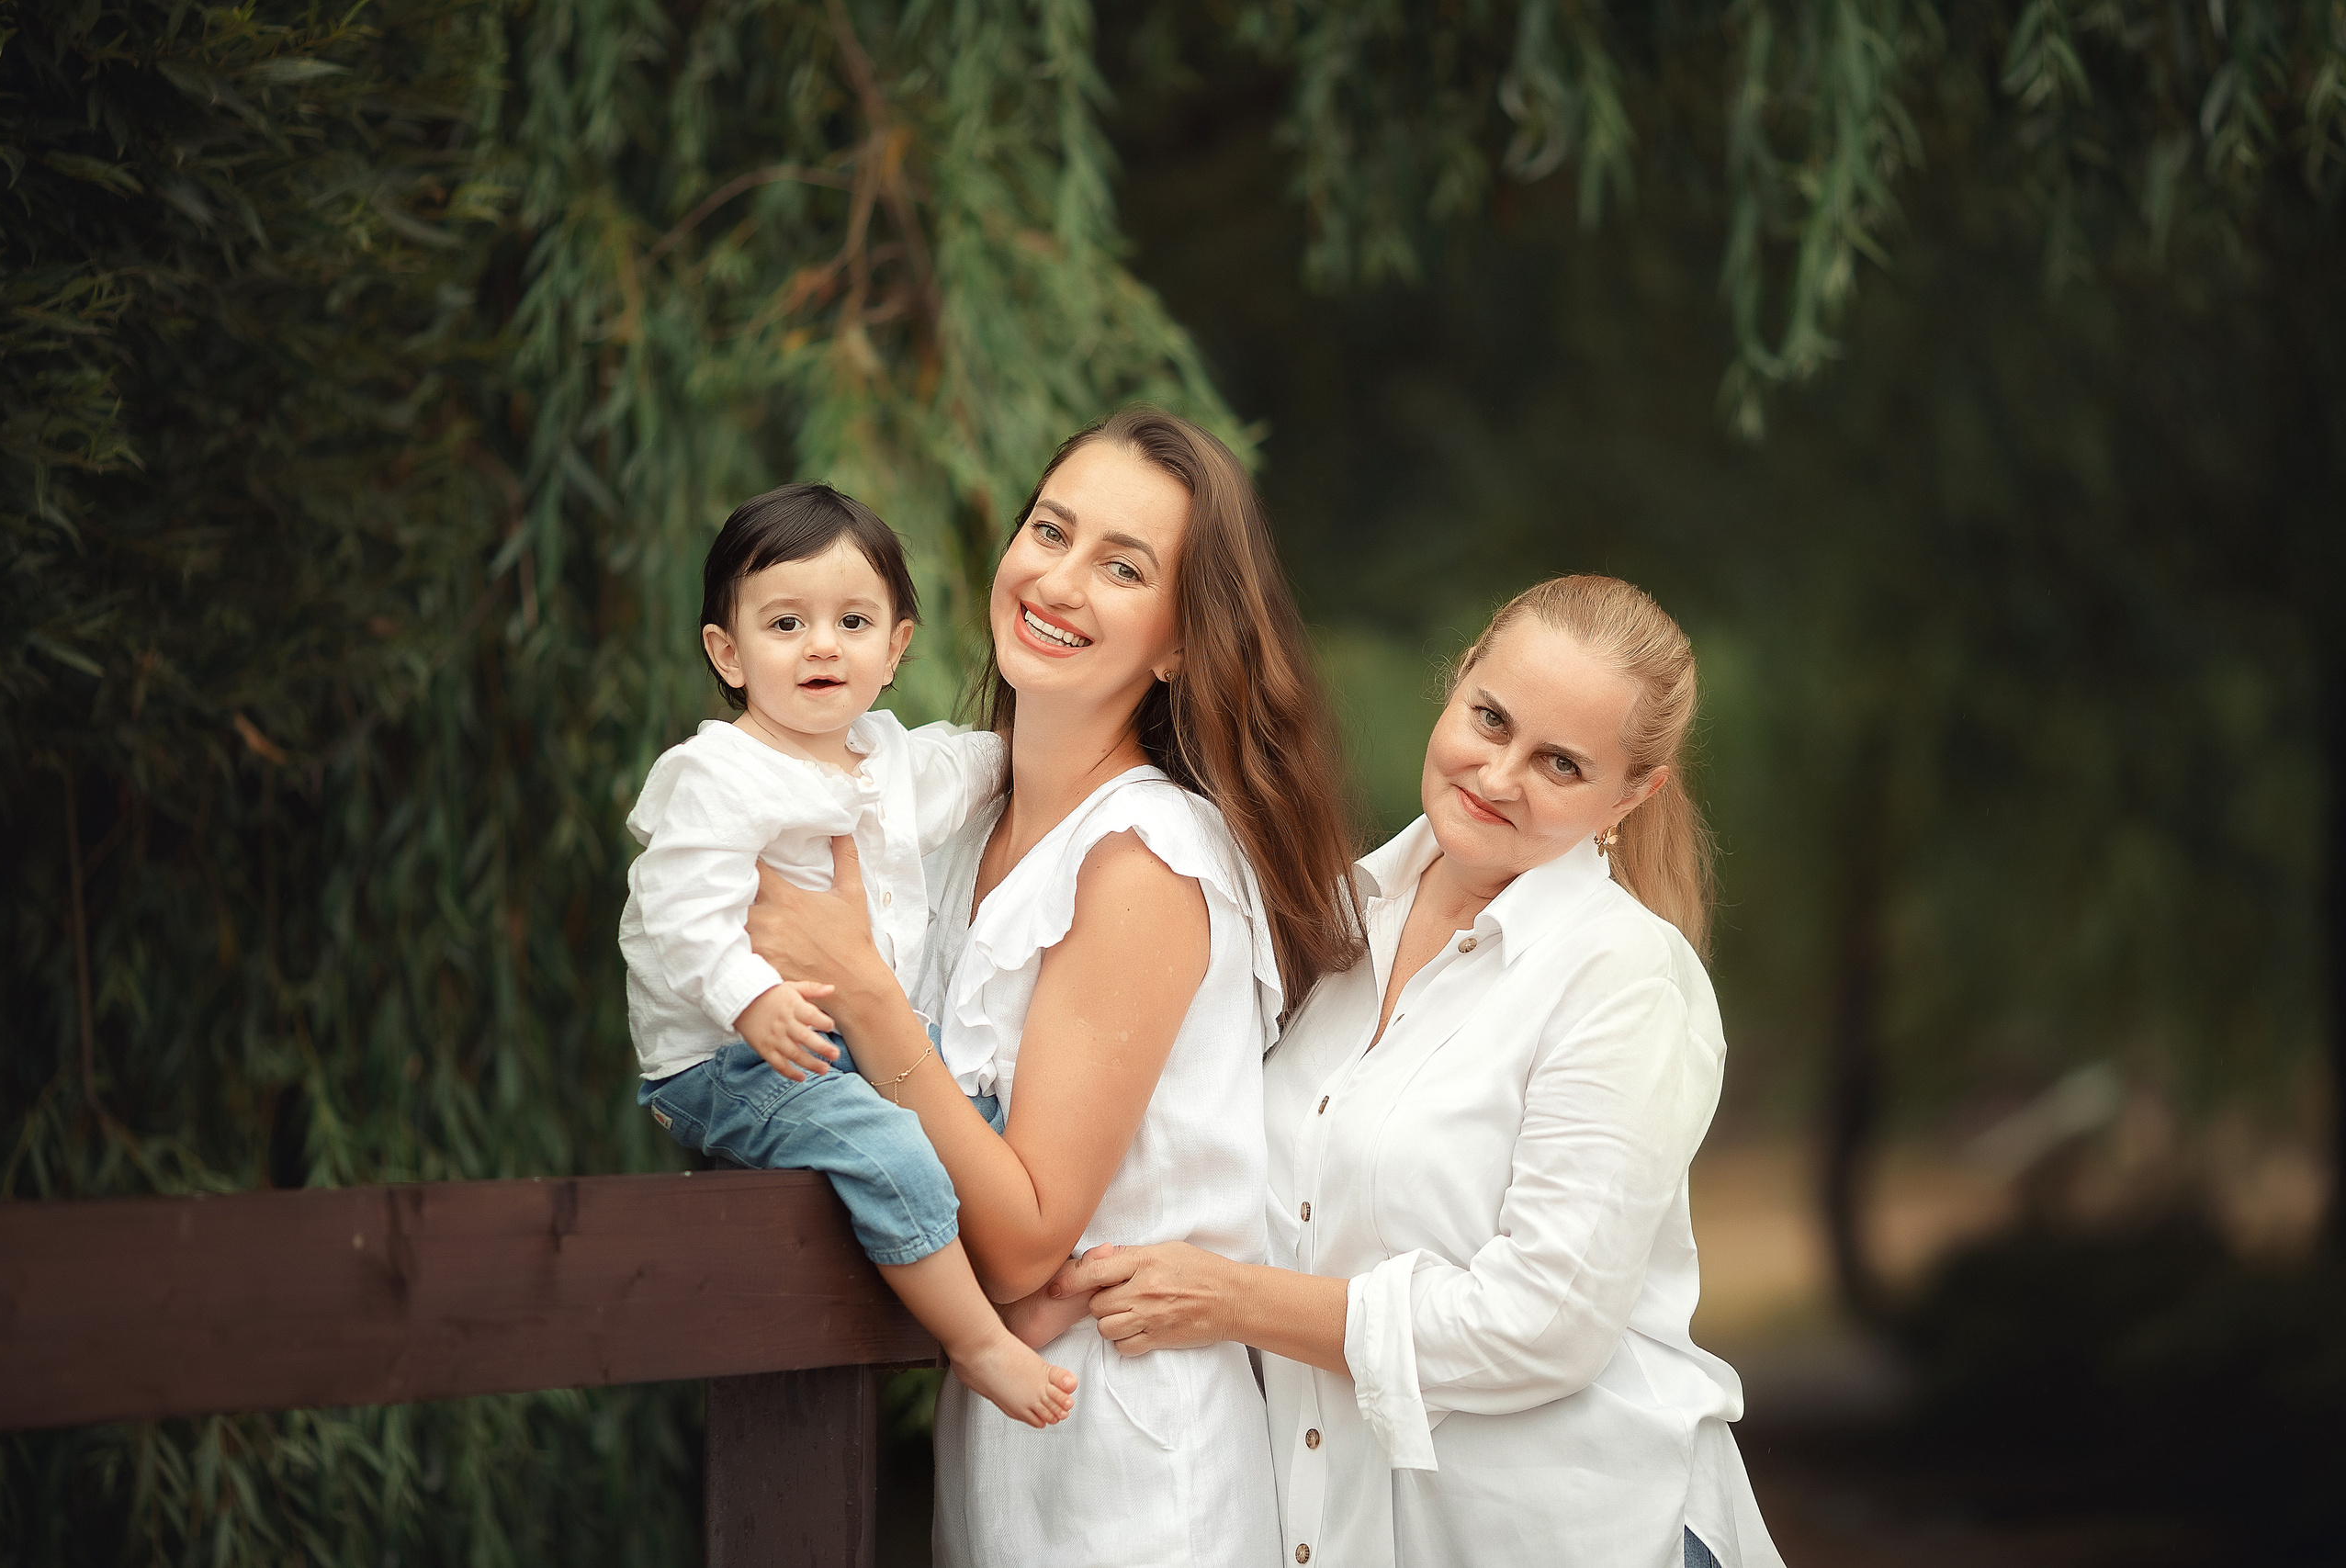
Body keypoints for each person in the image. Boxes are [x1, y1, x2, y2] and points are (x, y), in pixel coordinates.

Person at [1057, 575, 1788, 1568]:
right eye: (1489, 719)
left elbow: (1544, 1324)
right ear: (1455, 687)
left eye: (1560, 764)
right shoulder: (1336, 919)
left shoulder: (1622, 979)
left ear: (1631, 795)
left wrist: (1230, 1301)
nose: (1498, 775)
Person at [740, 408, 1363, 1568]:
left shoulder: (1139, 858)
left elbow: (1024, 1240)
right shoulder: (964, 821)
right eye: (1050, 530)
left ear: (1180, 642)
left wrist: (867, 1000)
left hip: (1132, 1475)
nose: (1059, 581)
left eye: (1123, 567)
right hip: (1009, 1446)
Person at [621, 482, 1077, 1428]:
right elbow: (677, 908)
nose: (821, 644)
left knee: (980, 1112)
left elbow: (983, 763)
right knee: (888, 1144)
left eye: (851, 620)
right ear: (728, 652)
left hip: (844, 1040)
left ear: (894, 647)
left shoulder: (890, 759)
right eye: (785, 622)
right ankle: (977, 1341)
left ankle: (1002, 1290)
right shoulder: (719, 774)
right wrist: (750, 998)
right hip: (728, 1059)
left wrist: (1078, 741)